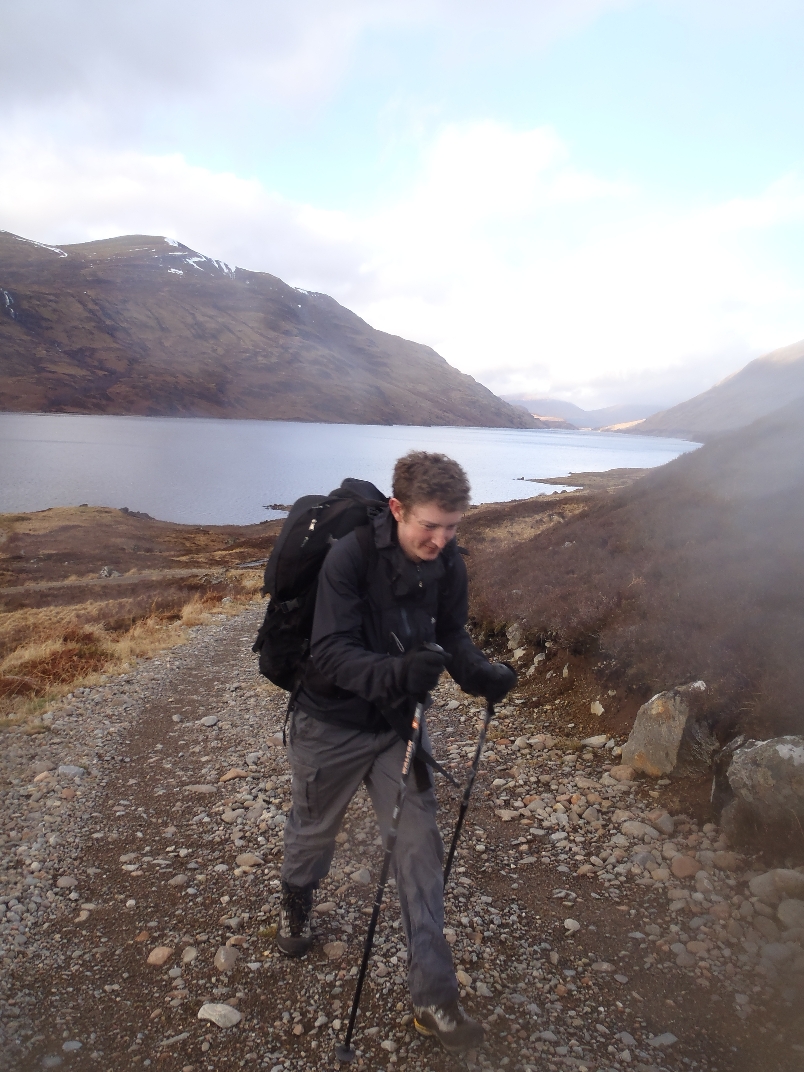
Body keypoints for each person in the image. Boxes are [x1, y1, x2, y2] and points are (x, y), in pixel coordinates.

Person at [276, 451, 517, 1054]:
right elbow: (330, 651)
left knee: (418, 849)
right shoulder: (349, 556)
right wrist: (400, 672)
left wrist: (480, 675)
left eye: (452, 527)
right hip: (328, 724)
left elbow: (452, 634)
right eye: (430, 526)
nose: (441, 540)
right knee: (312, 832)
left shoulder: (448, 561)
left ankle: (434, 997)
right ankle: (297, 900)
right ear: (397, 509)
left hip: (398, 726)